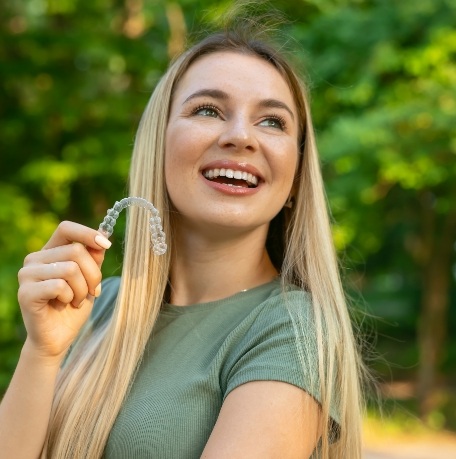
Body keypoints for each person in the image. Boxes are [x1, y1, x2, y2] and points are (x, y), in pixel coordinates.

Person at [0, 18, 364, 459]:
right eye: (208, 110)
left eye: (272, 121)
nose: (240, 137)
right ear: (160, 144)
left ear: (294, 179)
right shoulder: (94, 305)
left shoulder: (292, 331)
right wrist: (43, 351)